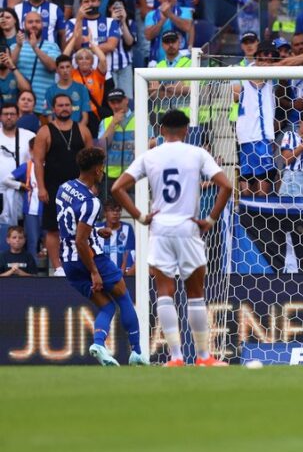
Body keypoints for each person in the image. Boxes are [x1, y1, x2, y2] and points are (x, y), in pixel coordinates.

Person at [111, 109, 234, 367]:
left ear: (162, 131)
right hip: (188, 228)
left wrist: (140, 216)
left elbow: (117, 187)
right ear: (187, 130)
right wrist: (210, 220)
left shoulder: (150, 156)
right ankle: (203, 357)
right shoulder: (197, 153)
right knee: (196, 293)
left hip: (161, 229)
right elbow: (226, 185)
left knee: (165, 292)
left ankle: (176, 358)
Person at [55, 147, 146, 366]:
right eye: (102, 167)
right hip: (91, 258)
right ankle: (137, 353)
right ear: (97, 170)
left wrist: (95, 231)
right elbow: (80, 241)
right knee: (123, 297)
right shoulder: (91, 201)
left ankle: (99, 344)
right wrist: (95, 271)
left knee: (107, 306)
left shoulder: (64, 187)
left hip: (68, 261)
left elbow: (71, 227)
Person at [34, 93, 93, 275]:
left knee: (82, 228)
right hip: (53, 188)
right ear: (54, 108)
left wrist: (92, 185)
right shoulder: (45, 131)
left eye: (67, 105)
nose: (64, 108)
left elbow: (92, 159)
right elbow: (38, 161)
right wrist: (41, 187)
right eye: (60, 105)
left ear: (72, 107)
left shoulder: (83, 130)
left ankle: (81, 263)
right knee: (53, 229)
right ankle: (58, 267)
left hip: (79, 188)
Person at [0, 100, 33, 238]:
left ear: (18, 115)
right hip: (0, 190)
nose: (9, 117)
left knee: (21, 230)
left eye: (12, 114)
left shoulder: (29, 136)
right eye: (5, 114)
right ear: (0, 116)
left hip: (23, 191)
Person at [97, 198, 135, 276]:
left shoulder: (127, 228)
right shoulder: (98, 229)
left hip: (122, 274)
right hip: (101, 274)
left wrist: (123, 271)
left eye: (117, 211)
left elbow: (129, 251)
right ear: (105, 213)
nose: (115, 213)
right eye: (111, 210)